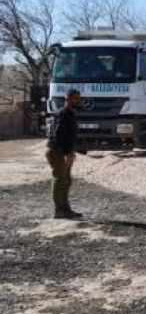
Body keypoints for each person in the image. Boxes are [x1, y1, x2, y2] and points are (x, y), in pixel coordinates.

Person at [46, 89, 83, 219]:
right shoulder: (63, 113)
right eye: (75, 99)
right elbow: (59, 136)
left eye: (79, 99)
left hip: (64, 151)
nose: (78, 101)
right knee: (60, 180)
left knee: (66, 180)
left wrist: (71, 152)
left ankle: (65, 208)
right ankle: (59, 210)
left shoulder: (71, 113)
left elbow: (70, 136)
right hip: (57, 151)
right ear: (68, 99)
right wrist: (67, 153)